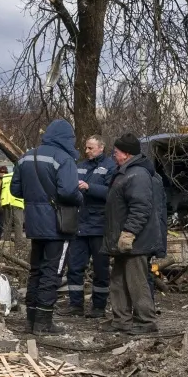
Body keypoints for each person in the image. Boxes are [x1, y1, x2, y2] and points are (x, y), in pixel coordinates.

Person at [9, 118, 82, 333]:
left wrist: (35, 199)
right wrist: (81, 197)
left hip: (33, 224)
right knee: (53, 271)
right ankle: (44, 323)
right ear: (67, 139)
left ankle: (31, 320)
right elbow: (68, 192)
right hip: (57, 226)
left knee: (36, 271)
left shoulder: (25, 157)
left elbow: (15, 190)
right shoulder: (64, 159)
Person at [104, 133, 166, 328]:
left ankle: (146, 321)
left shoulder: (137, 175)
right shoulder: (126, 172)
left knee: (136, 282)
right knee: (119, 281)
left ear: (127, 153)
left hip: (135, 241)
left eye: (116, 151)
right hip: (123, 240)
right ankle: (121, 320)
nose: (114, 155)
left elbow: (141, 207)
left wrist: (129, 233)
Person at [64, 135, 115, 317]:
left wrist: (89, 187)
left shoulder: (110, 166)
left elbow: (113, 193)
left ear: (101, 148)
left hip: (99, 226)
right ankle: (75, 305)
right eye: (86, 148)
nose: (86, 151)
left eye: (90, 148)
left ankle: (99, 308)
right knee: (75, 267)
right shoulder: (80, 166)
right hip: (80, 225)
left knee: (101, 270)